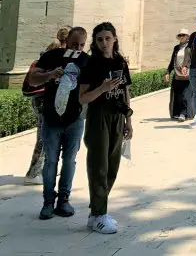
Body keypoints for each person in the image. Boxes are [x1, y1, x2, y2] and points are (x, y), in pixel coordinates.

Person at [28, 27, 88, 220]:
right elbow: (32, 78)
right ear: (66, 41)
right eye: (74, 44)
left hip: (74, 119)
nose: (77, 48)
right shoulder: (51, 56)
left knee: (70, 161)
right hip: (52, 118)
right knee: (51, 161)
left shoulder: (85, 60)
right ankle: (47, 202)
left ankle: (64, 200)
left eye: (81, 45)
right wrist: (50, 74)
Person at [80, 22, 133, 235]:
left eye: (107, 39)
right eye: (100, 39)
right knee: (98, 166)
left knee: (113, 165)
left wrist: (129, 119)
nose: (104, 43)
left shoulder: (120, 61)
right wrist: (102, 88)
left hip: (117, 116)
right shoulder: (92, 64)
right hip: (98, 117)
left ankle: (96, 213)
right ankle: (100, 214)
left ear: (114, 39)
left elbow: (125, 90)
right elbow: (83, 97)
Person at [23, 26, 72, 186]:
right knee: (45, 136)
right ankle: (33, 173)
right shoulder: (57, 56)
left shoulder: (49, 52)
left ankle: (45, 167)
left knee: (47, 135)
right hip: (44, 99)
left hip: (39, 99)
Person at [164, 29, 193, 121]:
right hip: (177, 74)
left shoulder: (190, 47)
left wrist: (187, 66)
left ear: (187, 36)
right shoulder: (176, 48)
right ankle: (178, 113)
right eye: (180, 35)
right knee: (178, 95)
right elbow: (172, 61)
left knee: (186, 95)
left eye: (183, 35)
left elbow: (192, 60)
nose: (181, 37)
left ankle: (184, 113)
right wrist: (167, 72)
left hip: (187, 75)